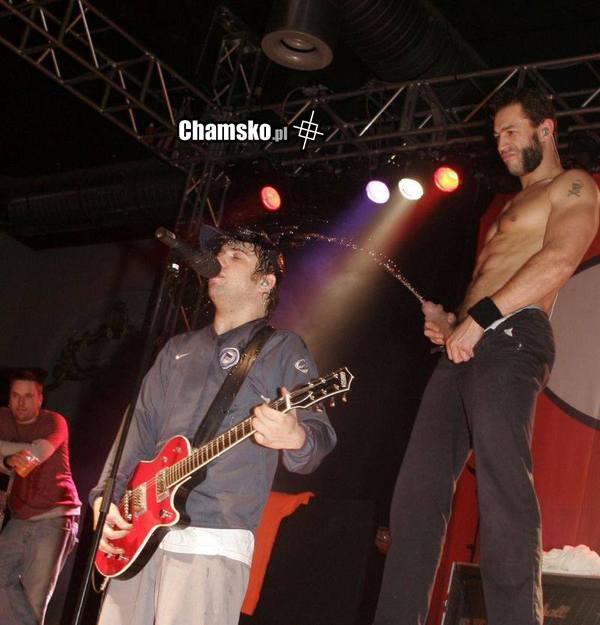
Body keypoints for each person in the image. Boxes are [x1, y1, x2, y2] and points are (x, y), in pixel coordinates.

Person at [373, 87, 600, 625]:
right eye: (496, 135)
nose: (501, 144)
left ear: (546, 129)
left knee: (502, 485)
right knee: (417, 493)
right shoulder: (508, 204)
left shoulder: (572, 185)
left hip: (514, 335)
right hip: (470, 339)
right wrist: (451, 321)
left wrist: (479, 319)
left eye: (511, 131)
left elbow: (560, 259)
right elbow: (491, 284)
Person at [91, 226, 337, 625]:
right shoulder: (177, 349)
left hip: (213, 539)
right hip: (138, 534)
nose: (219, 261)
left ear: (265, 282)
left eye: (235, 256)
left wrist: (296, 437)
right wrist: (106, 500)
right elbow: (136, 432)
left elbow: (319, 435)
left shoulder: (281, 348)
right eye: (218, 254)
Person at [0, 369, 81, 625]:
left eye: (27, 396)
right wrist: (7, 460)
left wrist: (6, 456)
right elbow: (13, 464)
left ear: (40, 398)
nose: (20, 403)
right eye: (15, 396)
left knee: (35, 599)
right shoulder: (3, 418)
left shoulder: (54, 421)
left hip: (55, 516)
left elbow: (34, 456)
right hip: (21, 515)